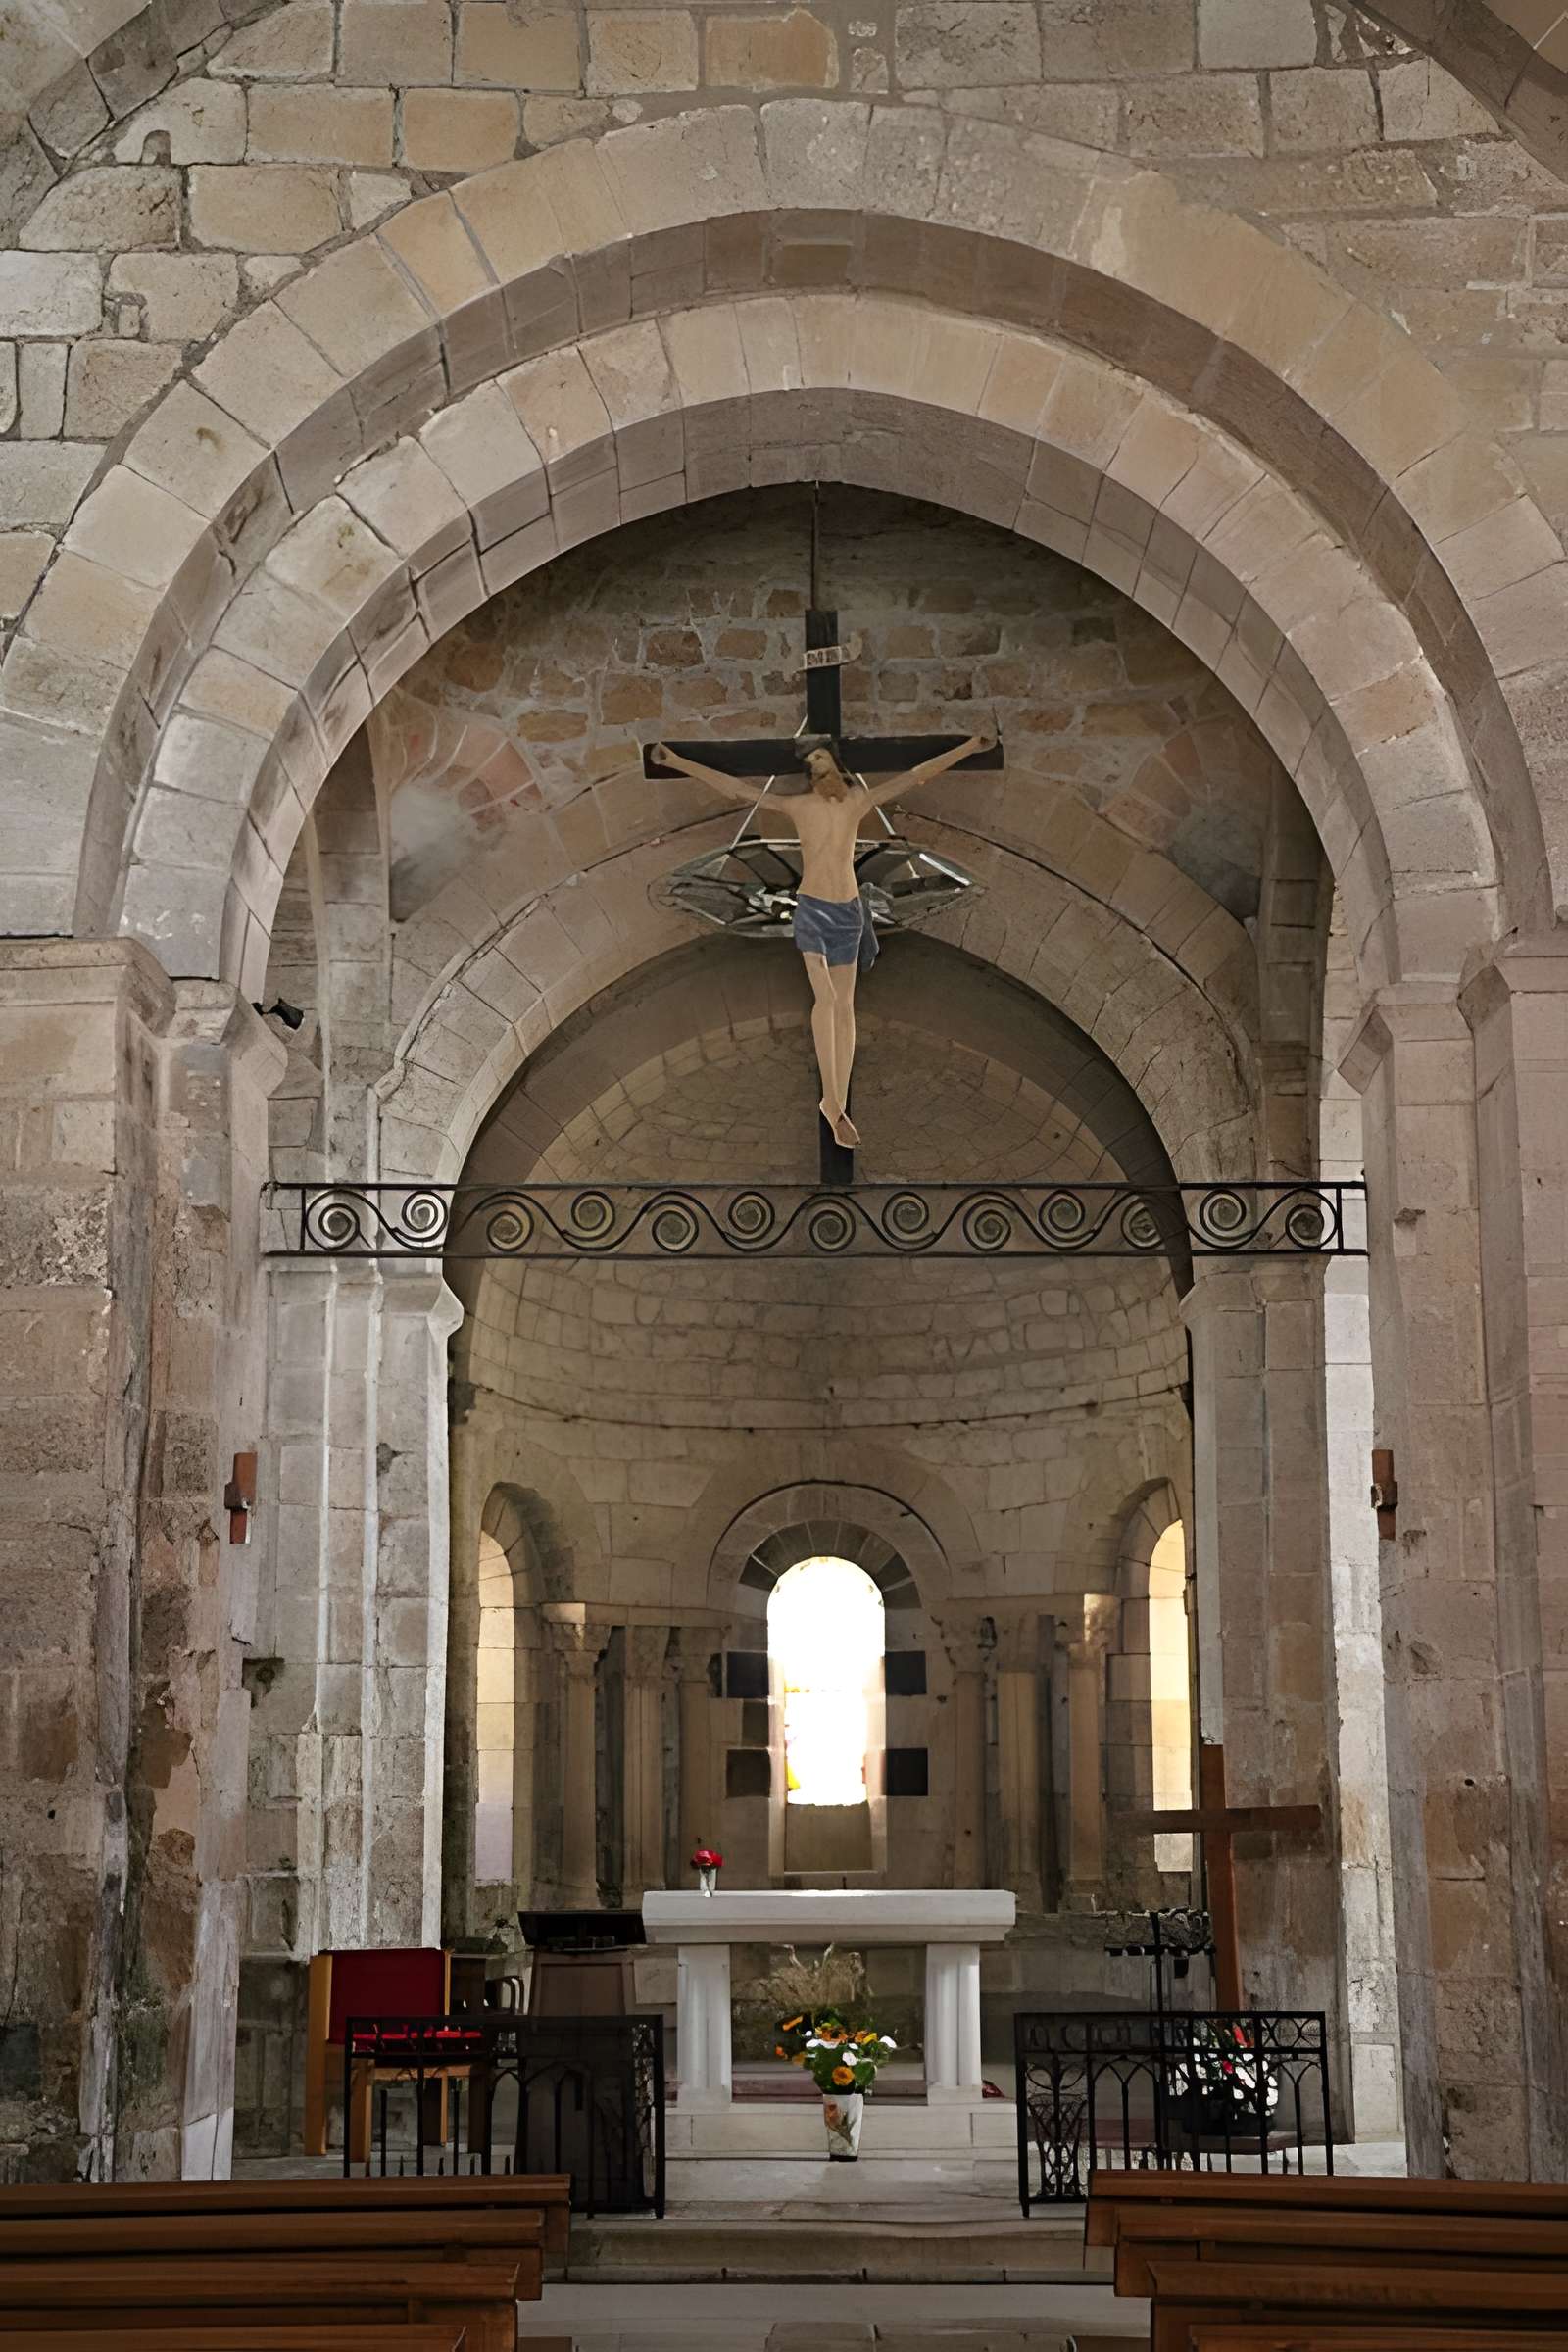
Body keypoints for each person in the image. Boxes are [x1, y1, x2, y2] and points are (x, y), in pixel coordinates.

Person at [651, 729, 996, 1150]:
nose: (817, 768)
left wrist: (967, 748)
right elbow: (738, 790)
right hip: (812, 909)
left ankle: (837, 1101)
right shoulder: (798, 806)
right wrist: (676, 762)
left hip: (848, 912)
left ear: (834, 762)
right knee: (828, 1000)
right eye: (810, 764)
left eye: (821, 759)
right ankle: (830, 1102)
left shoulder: (857, 801)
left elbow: (915, 776)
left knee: (846, 1006)